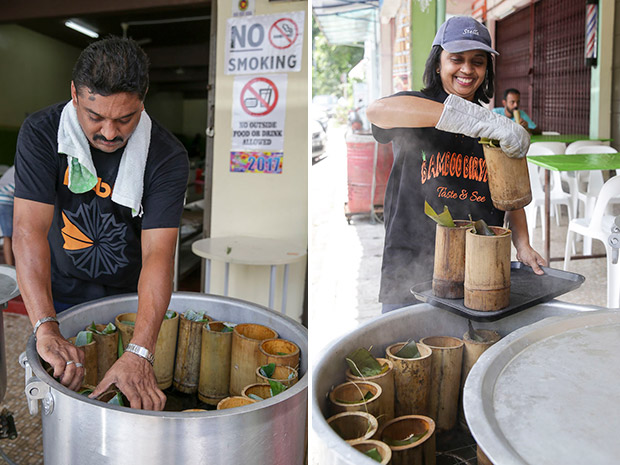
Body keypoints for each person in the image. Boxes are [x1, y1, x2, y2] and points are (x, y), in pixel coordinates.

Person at [13, 37, 189, 410]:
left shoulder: (165, 155)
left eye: (125, 119)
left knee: (127, 397)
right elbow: (28, 231)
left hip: (130, 300)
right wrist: (45, 325)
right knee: (65, 400)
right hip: (58, 291)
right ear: (74, 95)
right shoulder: (42, 133)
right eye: (96, 117)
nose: (109, 133)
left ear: (143, 99)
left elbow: (159, 254)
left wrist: (140, 350)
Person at [366, 16, 546, 313]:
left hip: (478, 266)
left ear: (486, 70)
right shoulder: (415, 108)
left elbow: (510, 196)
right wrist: (467, 118)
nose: (467, 69)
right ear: (438, 64)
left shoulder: (496, 129)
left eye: (478, 61)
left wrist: (523, 245)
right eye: (456, 59)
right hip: (410, 265)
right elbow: (377, 111)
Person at [0, 166, 15, 265]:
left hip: (8, 200)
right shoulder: (24, 164)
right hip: (4, 200)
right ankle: (10, 266)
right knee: (8, 236)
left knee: (11, 236)